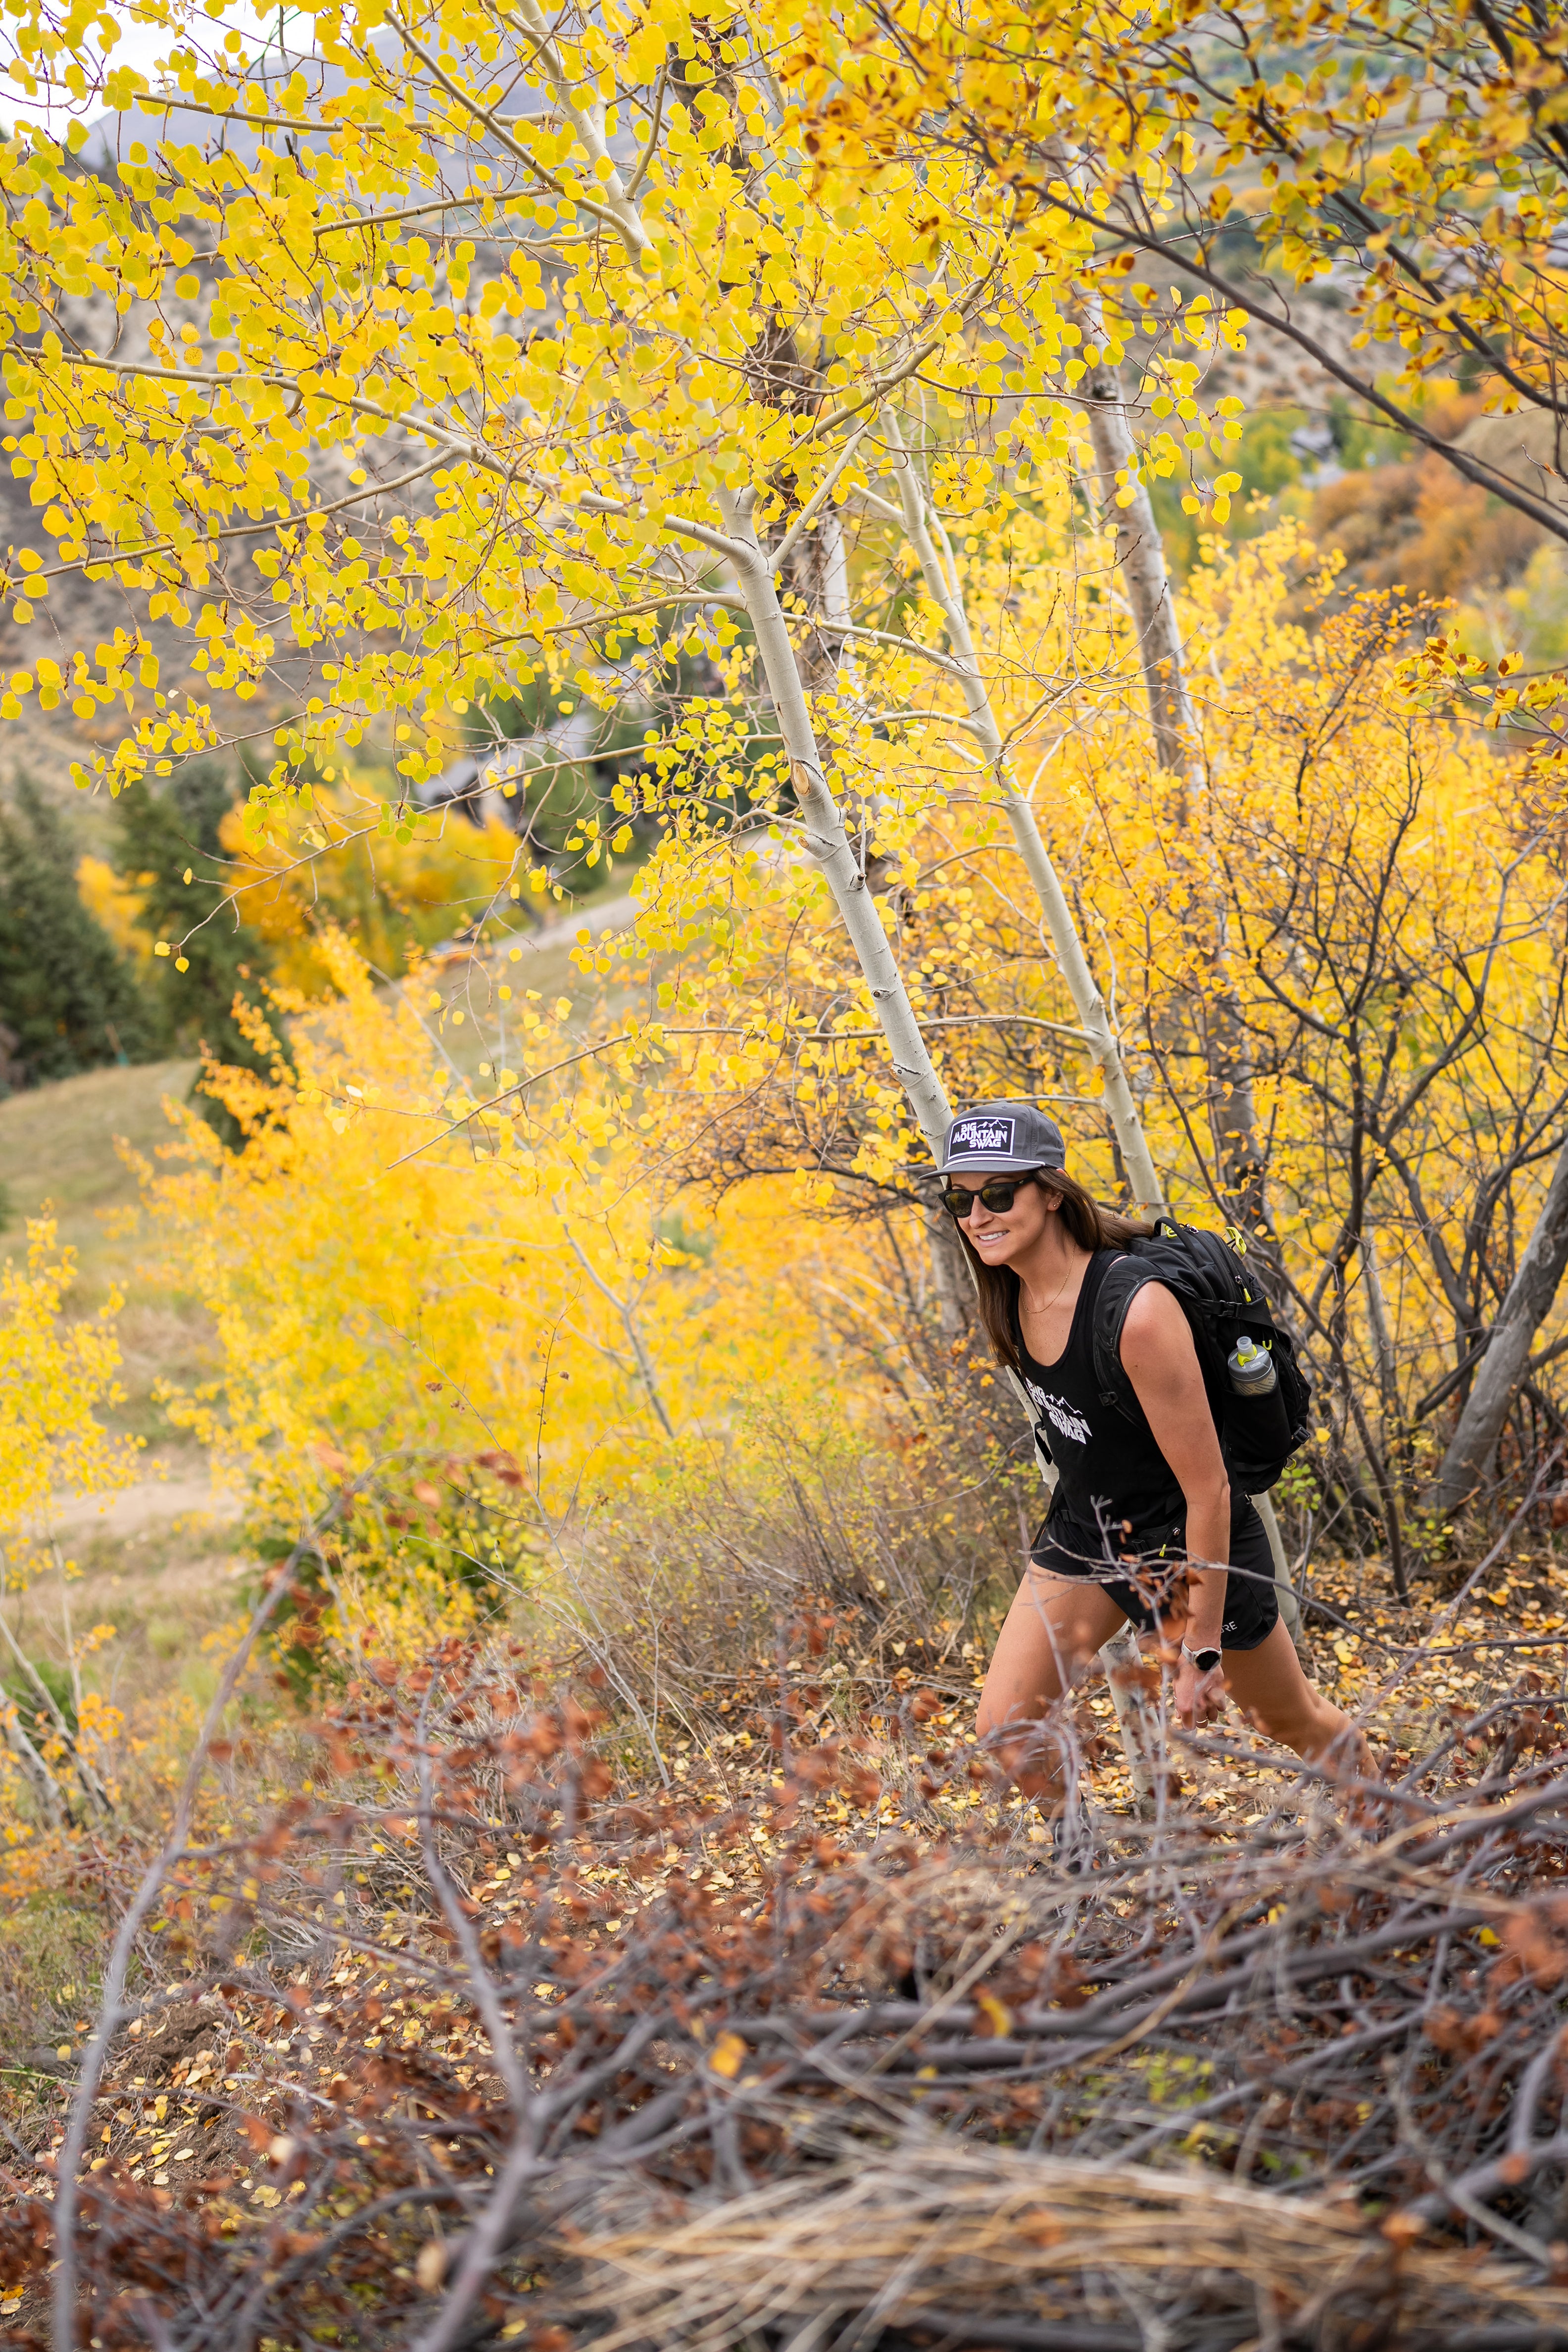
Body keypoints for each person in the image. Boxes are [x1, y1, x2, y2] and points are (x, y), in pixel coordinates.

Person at [938, 1101, 1356, 1852]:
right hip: (1088, 1532)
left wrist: (1200, 1651)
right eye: (959, 1199)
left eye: (997, 1194)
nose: (977, 1215)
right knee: (1007, 1728)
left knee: (1290, 1721)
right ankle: (1084, 1871)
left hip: (1186, 1546)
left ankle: (1402, 1822)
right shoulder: (1008, 1294)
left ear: (1051, 1193)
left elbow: (1210, 1491)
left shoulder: (1137, 1311)